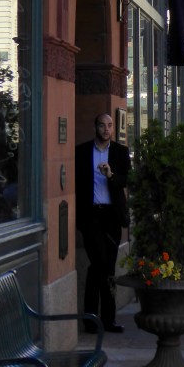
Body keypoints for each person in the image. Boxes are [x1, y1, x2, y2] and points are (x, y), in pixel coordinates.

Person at [75, 113, 131, 334]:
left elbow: (127, 179)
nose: (106, 129)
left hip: (111, 216)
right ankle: (92, 319)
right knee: (98, 263)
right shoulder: (82, 151)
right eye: (102, 125)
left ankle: (107, 320)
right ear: (95, 127)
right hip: (91, 217)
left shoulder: (120, 152)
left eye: (109, 125)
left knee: (106, 267)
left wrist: (111, 175)